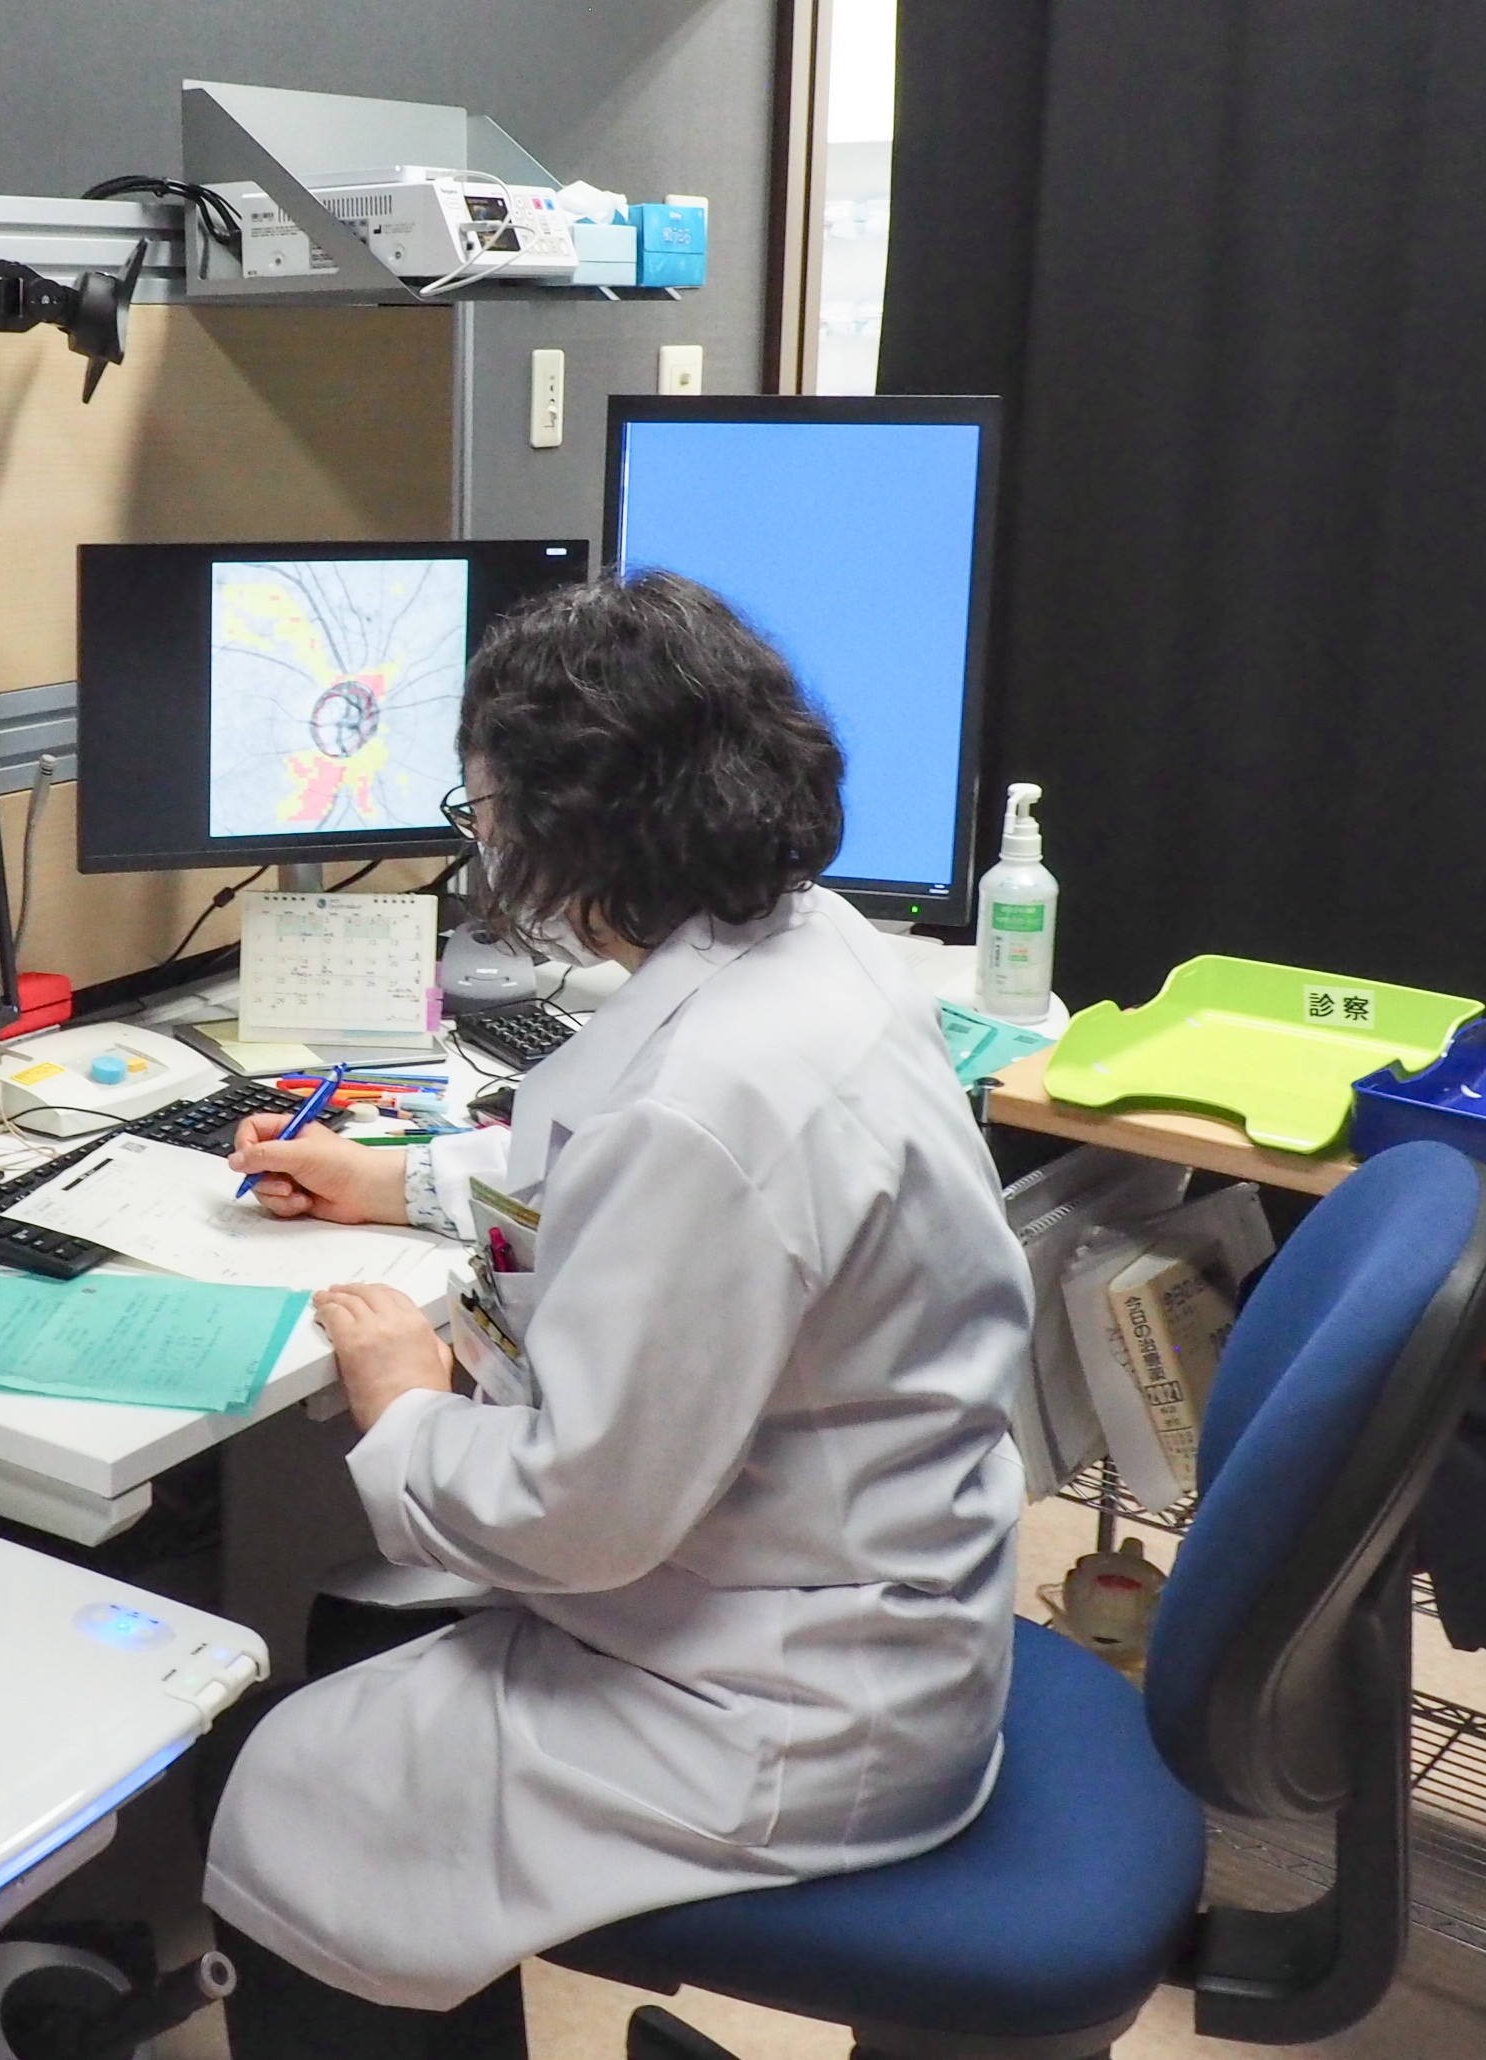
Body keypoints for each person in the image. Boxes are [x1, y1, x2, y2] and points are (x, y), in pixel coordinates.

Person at [200, 571, 1033, 2059]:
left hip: (781, 1712)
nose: (486, 846)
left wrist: (404, 1403)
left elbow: (581, 1514)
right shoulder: (813, 947)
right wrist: (397, 1179)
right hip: (870, 1597)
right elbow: (632, 1196)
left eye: (484, 813)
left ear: (569, 832)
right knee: (363, 1655)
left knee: (295, 1784)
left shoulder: (712, 1100)